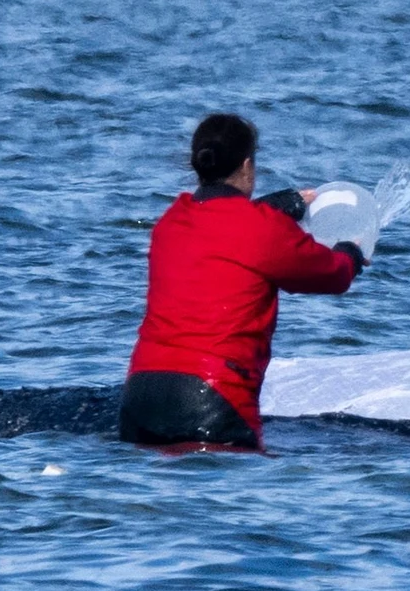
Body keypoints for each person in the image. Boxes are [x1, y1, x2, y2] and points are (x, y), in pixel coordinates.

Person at [121, 113, 368, 449]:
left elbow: (222, 227)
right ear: (248, 166)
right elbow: (332, 274)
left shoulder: (171, 221)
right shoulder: (263, 229)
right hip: (212, 400)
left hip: (140, 396)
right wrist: (351, 251)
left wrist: (284, 205)